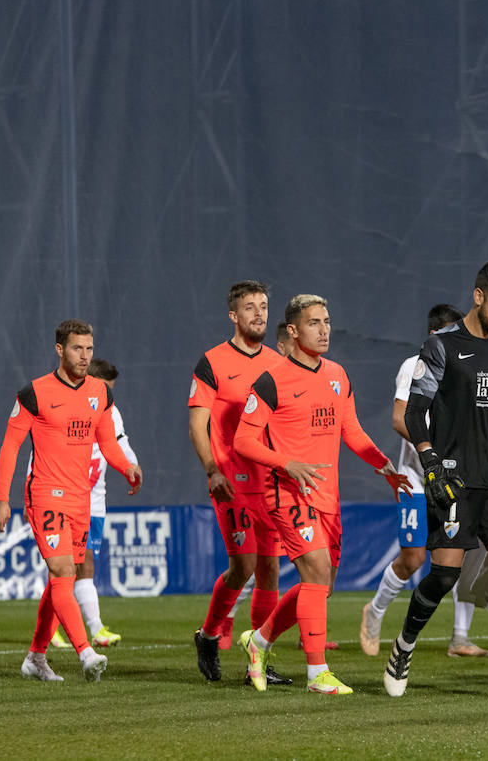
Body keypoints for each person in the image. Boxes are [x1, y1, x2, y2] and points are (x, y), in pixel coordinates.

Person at [383, 261, 488, 700]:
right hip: (454, 480)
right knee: (444, 576)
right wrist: (430, 460)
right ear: (478, 296)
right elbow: (415, 412)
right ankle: (403, 646)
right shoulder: (441, 347)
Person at [233, 294, 409, 695]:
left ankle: (257, 641)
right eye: (314, 322)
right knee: (314, 571)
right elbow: (242, 440)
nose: (325, 329)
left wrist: (384, 466)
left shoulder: (338, 375)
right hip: (286, 491)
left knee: (322, 584)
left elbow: (352, 430)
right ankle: (318, 674)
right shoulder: (271, 380)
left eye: (327, 321)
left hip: (327, 496)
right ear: (293, 330)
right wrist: (285, 463)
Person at [0, 319, 141, 683]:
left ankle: (36, 658)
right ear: (60, 349)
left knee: (61, 579)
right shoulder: (35, 392)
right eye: (77, 348)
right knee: (62, 571)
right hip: (45, 494)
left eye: (89, 348)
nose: (84, 355)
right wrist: (1, 498)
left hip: (81, 500)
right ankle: (86, 652)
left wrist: (126, 467)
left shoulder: (101, 393)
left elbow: (106, 443)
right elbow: (11, 445)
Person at [361, 303, 488, 659]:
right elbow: (399, 418)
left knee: (460, 553)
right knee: (413, 558)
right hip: (417, 482)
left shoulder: (466, 365)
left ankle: (460, 638)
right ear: (435, 335)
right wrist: (435, 450)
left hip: (457, 480)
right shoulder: (414, 365)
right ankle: (373, 612)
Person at [188, 281, 292, 685]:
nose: (259, 314)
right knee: (243, 567)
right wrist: (212, 469)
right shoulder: (212, 362)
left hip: (270, 482)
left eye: (264, 306)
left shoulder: (278, 361)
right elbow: (198, 423)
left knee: (270, 570)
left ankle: (258, 663)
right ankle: (210, 634)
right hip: (231, 481)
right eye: (250, 308)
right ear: (234, 315)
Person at [49, 358, 135, 649]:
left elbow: (120, 444)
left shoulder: (111, 411)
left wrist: (131, 468)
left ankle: (68, 629)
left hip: (94, 501)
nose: (109, 396)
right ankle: (88, 629)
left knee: (84, 565)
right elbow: (43, 450)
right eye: (106, 389)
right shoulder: (65, 405)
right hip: (62, 496)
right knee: (70, 566)